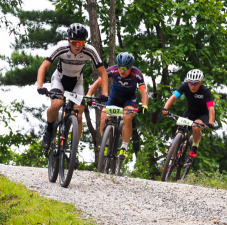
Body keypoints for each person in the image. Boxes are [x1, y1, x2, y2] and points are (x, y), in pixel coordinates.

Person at [36, 23, 109, 151]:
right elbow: (43, 67)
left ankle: (73, 148)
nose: (77, 46)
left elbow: (103, 72)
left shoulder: (90, 50)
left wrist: (105, 93)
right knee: (56, 104)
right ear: (69, 40)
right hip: (59, 79)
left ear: (84, 42)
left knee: (78, 114)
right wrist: (40, 86)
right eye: (75, 43)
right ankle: (49, 130)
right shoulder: (61, 48)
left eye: (81, 43)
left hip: (76, 82)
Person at [87, 52, 149, 160]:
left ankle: (124, 147)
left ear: (131, 67)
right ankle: (105, 143)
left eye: (125, 68)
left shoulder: (136, 73)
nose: (122, 70)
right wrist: (88, 95)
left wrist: (144, 105)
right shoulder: (112, 70)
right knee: (103, 116)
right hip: (114, 97)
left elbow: (143, 91)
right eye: (120, 67)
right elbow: (97, 83)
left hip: (129, 99)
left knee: (128, 117)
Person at [162, 69, 215, 158]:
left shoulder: (205, 91)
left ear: (201, 82)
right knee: (179, 131)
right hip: (190, 112)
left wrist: (211, 122)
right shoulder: (185, 86)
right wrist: (165, 108)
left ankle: (195, 145)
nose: (192, 86)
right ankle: (171, 160)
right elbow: (174, 97)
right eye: (191, 83)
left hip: (202, 114)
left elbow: (211, 108)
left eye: (195, 83)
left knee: (195, 126)